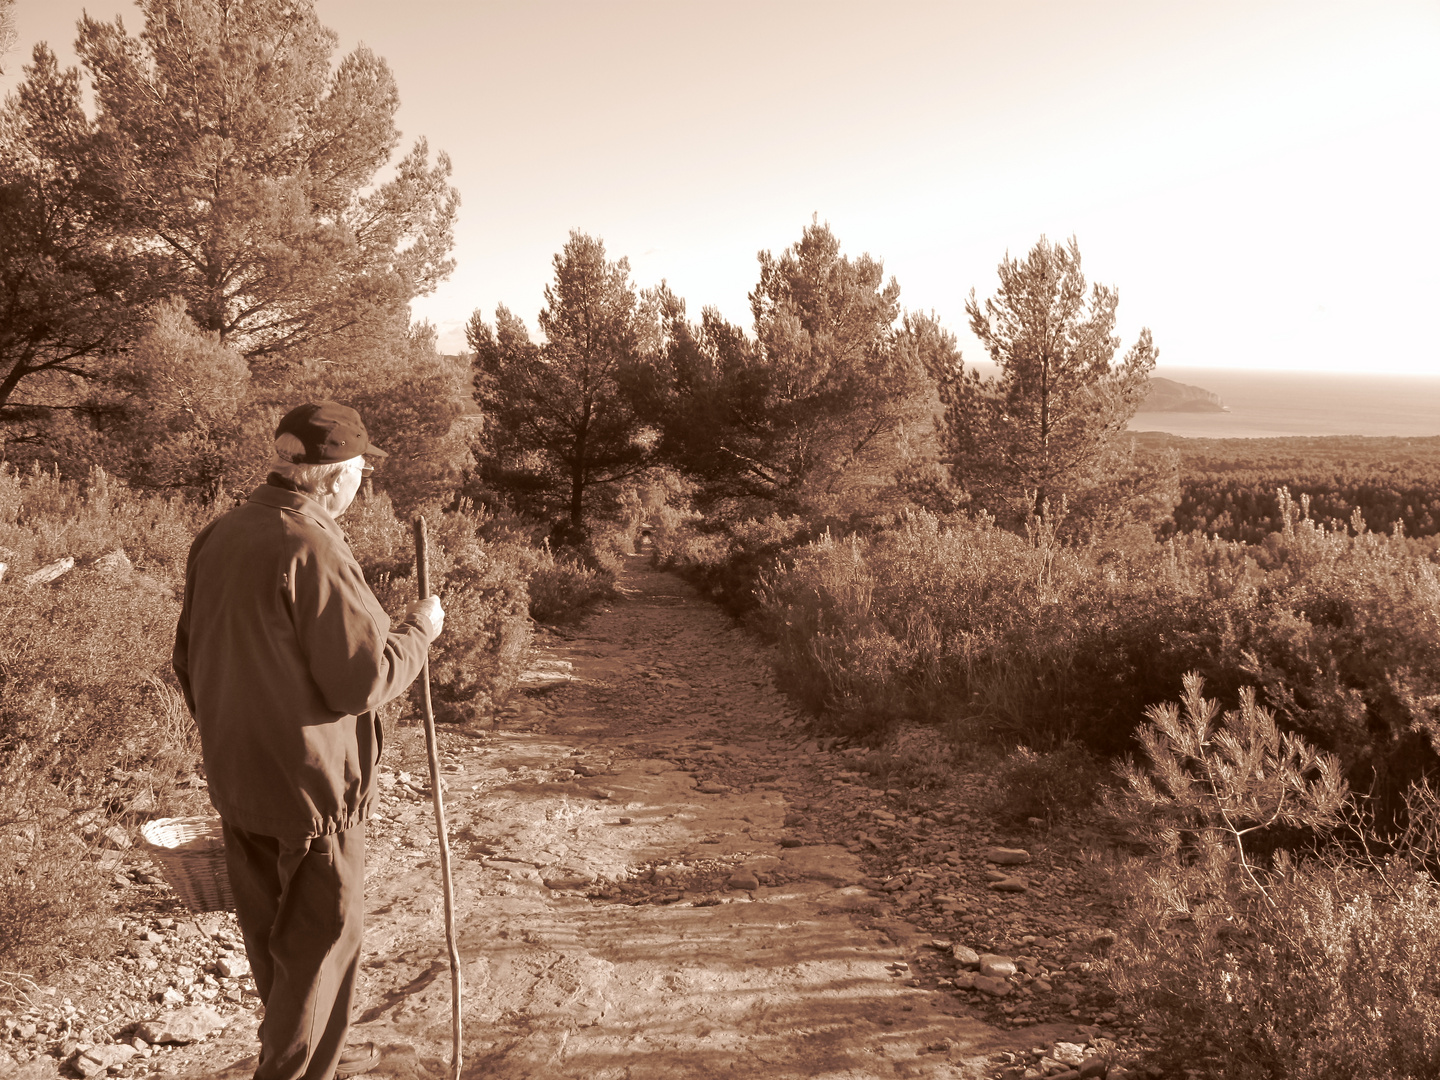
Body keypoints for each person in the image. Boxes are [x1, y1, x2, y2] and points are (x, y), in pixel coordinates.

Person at [173, 402, 444, 1080]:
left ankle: (283, 1060)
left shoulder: (221, 533)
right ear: (333, 475)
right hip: (313, 797)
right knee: (320, 958)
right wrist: (420, 632)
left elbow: (187, 660)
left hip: (240, 784)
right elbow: (361, 682)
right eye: (359, 472)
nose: (362, 485)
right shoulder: (313, 543)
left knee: (278, 960)